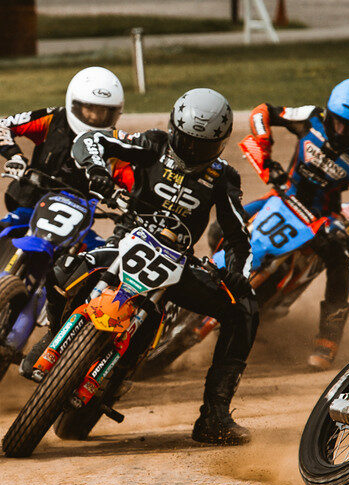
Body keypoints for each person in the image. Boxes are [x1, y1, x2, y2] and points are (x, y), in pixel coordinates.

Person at [69, 88, 257, 445]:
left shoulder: (224, 177)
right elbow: (93, 140)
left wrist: (239, 275)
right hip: (125, 240)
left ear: (219, 144)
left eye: (200, 146)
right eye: (185, 141)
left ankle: (214, 417)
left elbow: (238, 238)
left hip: (178, 263)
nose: (190, 151)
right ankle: (51, 339)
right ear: (173, 128)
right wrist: (96, 170)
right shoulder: (152, 144)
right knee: (66, 267)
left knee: (245, 308)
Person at [0, 66, 128, 327]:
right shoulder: (52, 119)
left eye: (103, 112)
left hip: (78, 224)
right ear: (74, 104)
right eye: (89, 109)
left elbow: (132, 180)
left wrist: (127, 199)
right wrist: (15, 156)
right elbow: (2, 126)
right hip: (34, 204)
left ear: (115, 113)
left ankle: (70, 332)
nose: (95, 117)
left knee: (100, 266)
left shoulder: (117, 145)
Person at [240, 78, 349, 371]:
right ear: (329, 114)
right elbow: (262, 112)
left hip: (324, 219)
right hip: (281, 196)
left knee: (341, 264)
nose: (341, 131)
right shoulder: (310, 118)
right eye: (337, 122)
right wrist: (263, 146)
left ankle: (328, 338)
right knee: (225, 224)